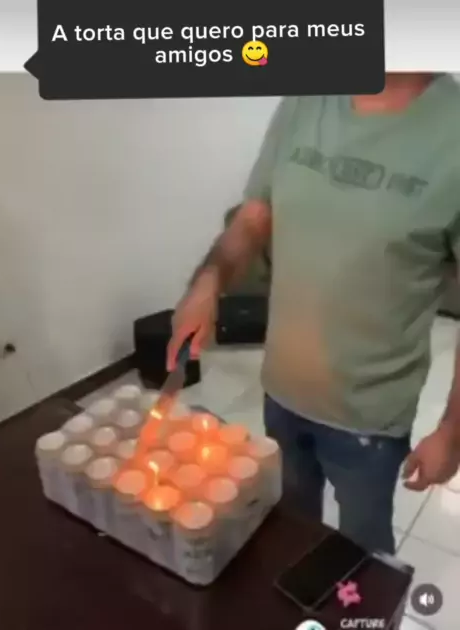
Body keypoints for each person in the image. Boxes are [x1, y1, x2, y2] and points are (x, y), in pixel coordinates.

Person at [167, 73, 460, 555]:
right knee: (287, 534)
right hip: (282, 395)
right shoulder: (307, 96)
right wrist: (208, 282)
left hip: (368, 421)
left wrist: (451, 432)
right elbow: (254, 216)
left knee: (359, 559)